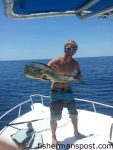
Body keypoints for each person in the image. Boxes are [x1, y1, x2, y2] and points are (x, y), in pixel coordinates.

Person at [48, 40, 85, 145]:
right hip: (56, 90)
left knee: (74, 113)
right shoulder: (56, 61)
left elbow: (79, 73)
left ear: (75, 51)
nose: (71, 50)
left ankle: (76, 132)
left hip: (68, 90)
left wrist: (78, 77)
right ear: (64, 48)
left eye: (74, 49)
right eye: (69, 48)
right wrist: (50, 71)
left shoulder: (75, 63)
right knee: (54, 116)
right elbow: (44, 71)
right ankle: (54, 137)